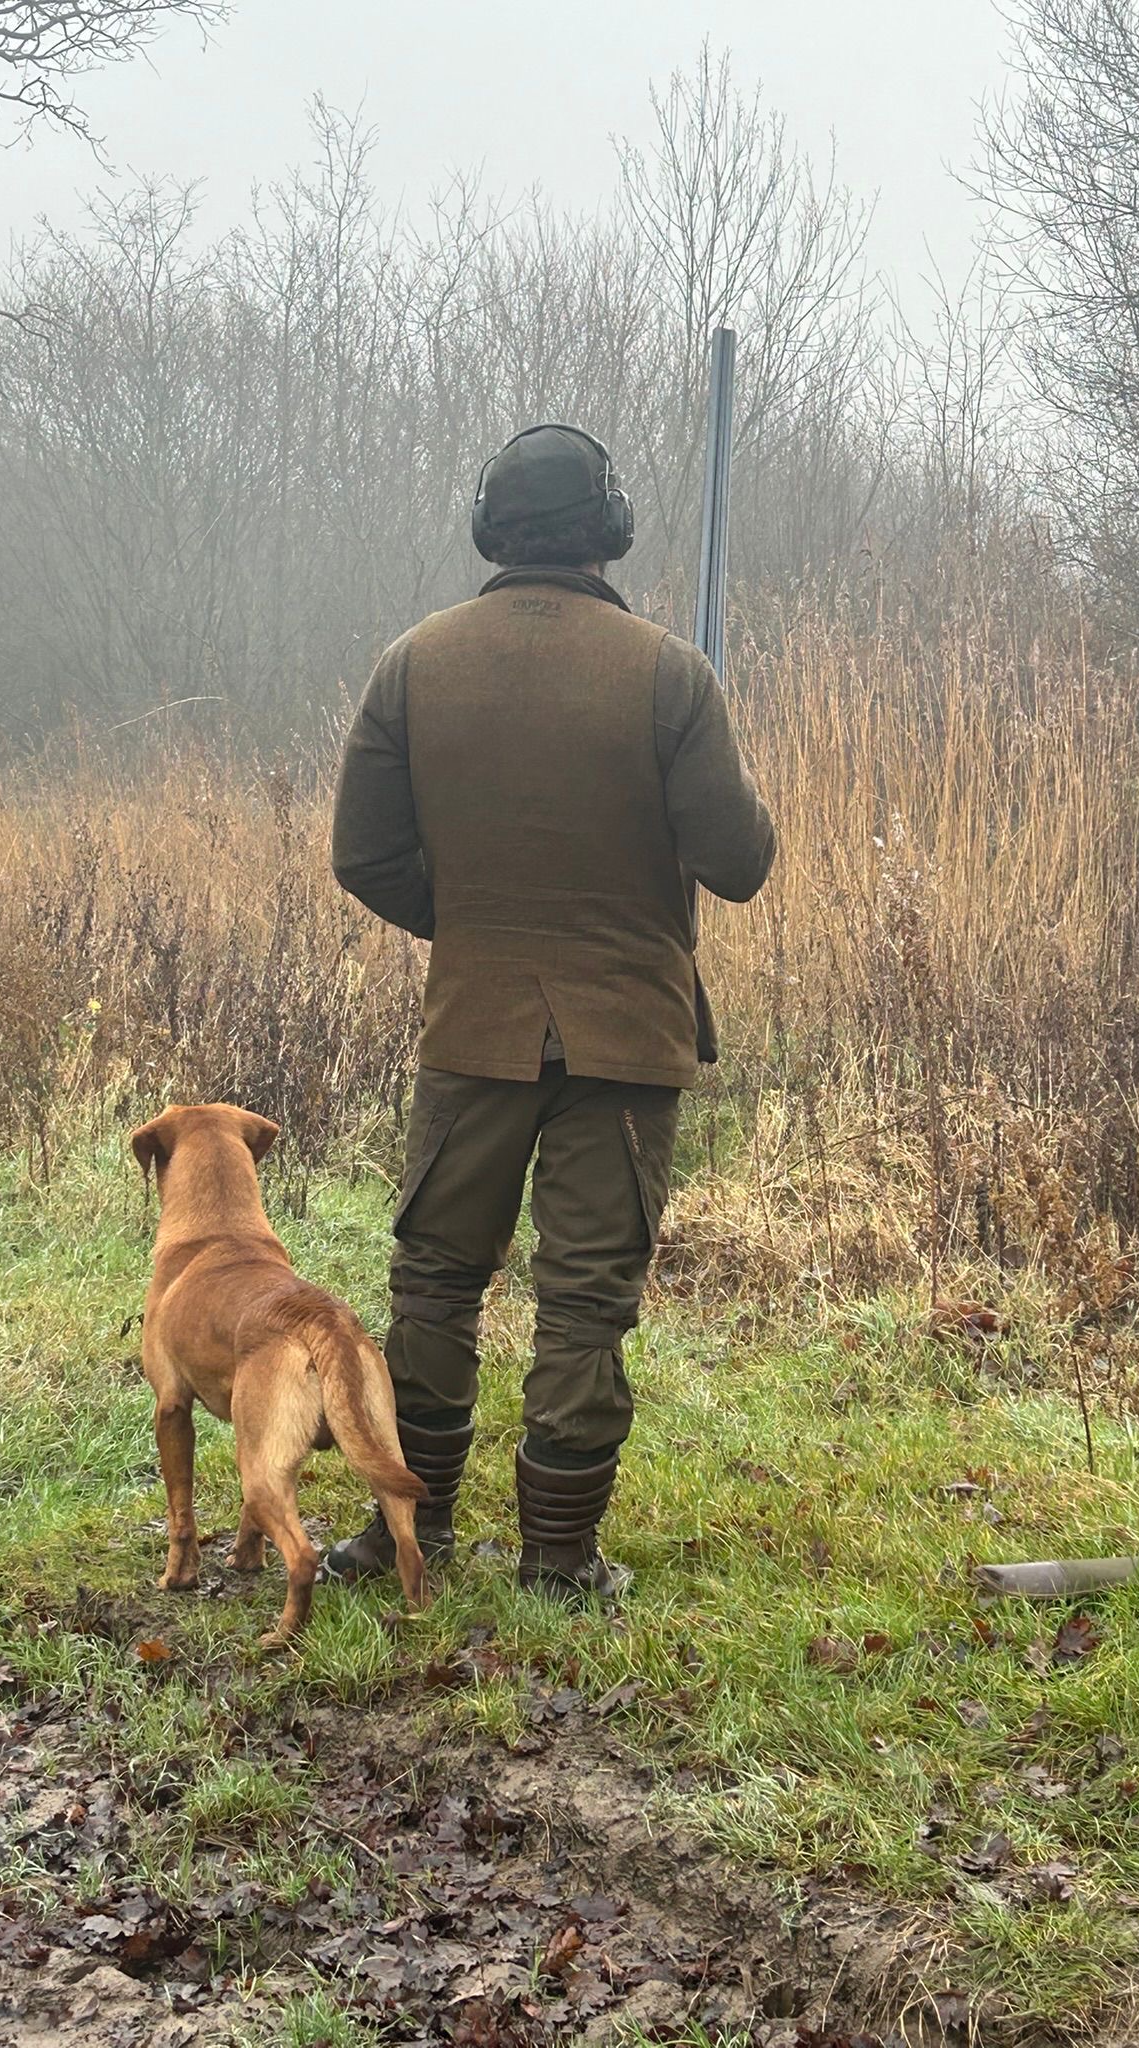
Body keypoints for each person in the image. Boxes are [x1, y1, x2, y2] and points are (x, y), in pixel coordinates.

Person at [325, 422, 775, 1600]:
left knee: (435, 1280)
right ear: (606, 529)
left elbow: (362, 855)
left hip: (471, 1028)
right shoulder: (670, 672)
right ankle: (560, 1559)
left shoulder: (412, 665)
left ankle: (407, 1533)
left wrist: (471, 923)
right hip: (627, 1041)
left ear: (493, 527)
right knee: (584, 1299)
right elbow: (739, 861)